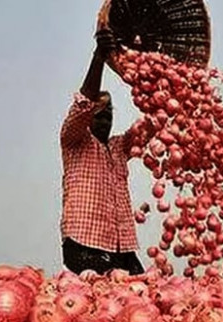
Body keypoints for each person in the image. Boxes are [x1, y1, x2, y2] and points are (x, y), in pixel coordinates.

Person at [59, 30, 144, 277]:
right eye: (99, 115)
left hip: (122, 246)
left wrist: (162, 86)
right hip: (85, 243)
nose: (105, 120)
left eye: (109, 115)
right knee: (99, 301)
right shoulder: (74, 140)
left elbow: (151, 125)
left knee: (141, 295)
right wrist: (99, 57)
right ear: (88, 118)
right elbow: (83, 103)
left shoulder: (119, 147)